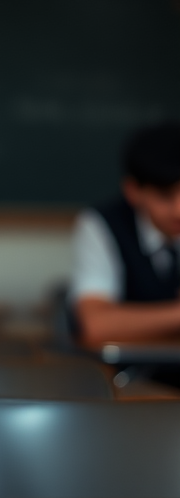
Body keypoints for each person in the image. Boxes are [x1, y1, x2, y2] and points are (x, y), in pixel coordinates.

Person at [71, 124, 180, 356]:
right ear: (133, 190)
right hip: (132, 381)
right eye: (165, 196)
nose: (178, 211)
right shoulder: (102, 225)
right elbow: (96, 325)